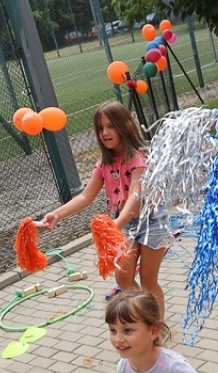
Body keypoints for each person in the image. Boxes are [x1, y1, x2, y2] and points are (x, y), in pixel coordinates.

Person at [43, 102, 170, 316]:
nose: (105, 133)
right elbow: (85, 196)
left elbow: (134, 197)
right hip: (125, 223)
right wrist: (57, 214)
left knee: (148, 281)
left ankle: (156, 327)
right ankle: (145, 317)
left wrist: (114, 227)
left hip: (152, 221)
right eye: (100, 128)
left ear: (125, 126)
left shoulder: (140, 159)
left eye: (111, 126)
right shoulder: (104, 163)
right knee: (123, 278)